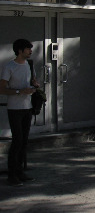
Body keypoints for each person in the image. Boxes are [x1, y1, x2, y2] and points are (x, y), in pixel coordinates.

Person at [0, 39, 39, 187]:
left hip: (27, 107)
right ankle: (12, 174)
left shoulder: (29, 65)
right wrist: (19, 91)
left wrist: (35, 85)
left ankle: (20, 171)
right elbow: (2, 88)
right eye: (28, 49)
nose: (30, 51)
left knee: (24, 141)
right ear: (20, 50)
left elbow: (33, 80)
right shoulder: (10, 66)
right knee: (17, 140)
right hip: (14, 108)